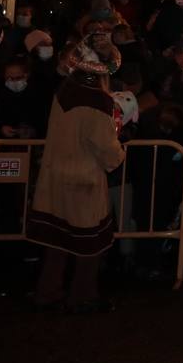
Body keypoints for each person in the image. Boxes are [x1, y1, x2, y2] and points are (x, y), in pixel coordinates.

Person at [26, 40, 125, 313]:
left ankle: (48, 292)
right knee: (88, 246)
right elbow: (106, 147)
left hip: (55, 173)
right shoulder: (97, 99)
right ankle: (82, 295)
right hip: (83, 179)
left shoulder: (65, 90)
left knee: (56, 242)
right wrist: (119, 152)